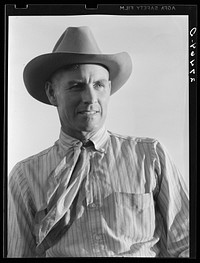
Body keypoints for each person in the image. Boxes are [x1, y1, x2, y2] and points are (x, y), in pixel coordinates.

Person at [7, 26, 189, 258]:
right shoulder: (25, 177)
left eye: (99, 85)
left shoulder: (151, 156)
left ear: (109, 89)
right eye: (76, 86)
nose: (90, 98)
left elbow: (186, 243)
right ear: (52, 93)